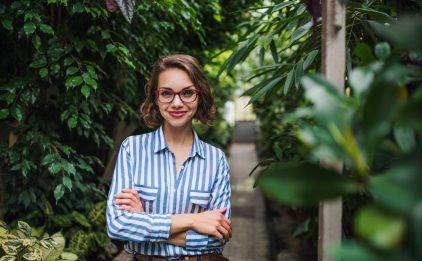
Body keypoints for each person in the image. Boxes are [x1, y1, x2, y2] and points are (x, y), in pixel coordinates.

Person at [106, 54, 232, 261]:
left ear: (199, 96)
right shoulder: (132, 149)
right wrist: (192, 221)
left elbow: (217, 239)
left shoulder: (215, 159)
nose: (176, 103)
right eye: (166, 93)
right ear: (156, 97)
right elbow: (118, 226)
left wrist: (144, 221)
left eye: (187, 93)